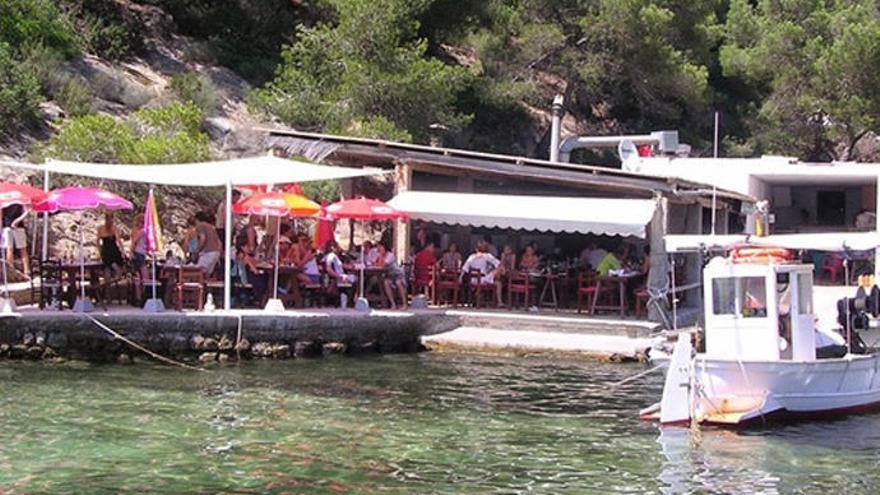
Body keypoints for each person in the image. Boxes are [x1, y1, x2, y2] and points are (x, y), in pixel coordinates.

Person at [376, 244, 408, 309]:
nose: (380, 250)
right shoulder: (381, 256)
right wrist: (380, 257)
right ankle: (392, 303)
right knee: (386, 283)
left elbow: (384, 265)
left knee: (398, 283)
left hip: (398, 274)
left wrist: (380, 257)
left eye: (381, 248)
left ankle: (404, 303)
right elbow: (377, 264)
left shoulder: (390, 255)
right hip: (390, 275)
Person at [2, 203, 29, 278]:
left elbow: (27, 210)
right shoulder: (4, 200)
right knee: (9, 249)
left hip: (18, 226)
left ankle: (27, 271)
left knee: (22, 249)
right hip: (7, 226)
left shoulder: (20, 200)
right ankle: (11, 272)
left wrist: (18, 220)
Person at [97, 212, 126, 278]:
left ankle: (108, 285)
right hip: (113, 249)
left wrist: (99, 250)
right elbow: (118, 240)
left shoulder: (100, 229)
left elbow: (97, 241)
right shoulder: (115, 228)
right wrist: (123, 250)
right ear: (112, 218)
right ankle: (115, 281)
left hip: (105, 249)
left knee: (107, 268)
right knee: (118, 268)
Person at [195, 211, 222, 276]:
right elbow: (219, 242)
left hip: (207, 252)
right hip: (216, 252)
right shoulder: (211, 227)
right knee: (207, 275)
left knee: (198, 273)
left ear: (197, 219)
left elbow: (203, 238)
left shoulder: (200, 226)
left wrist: (198, 249)